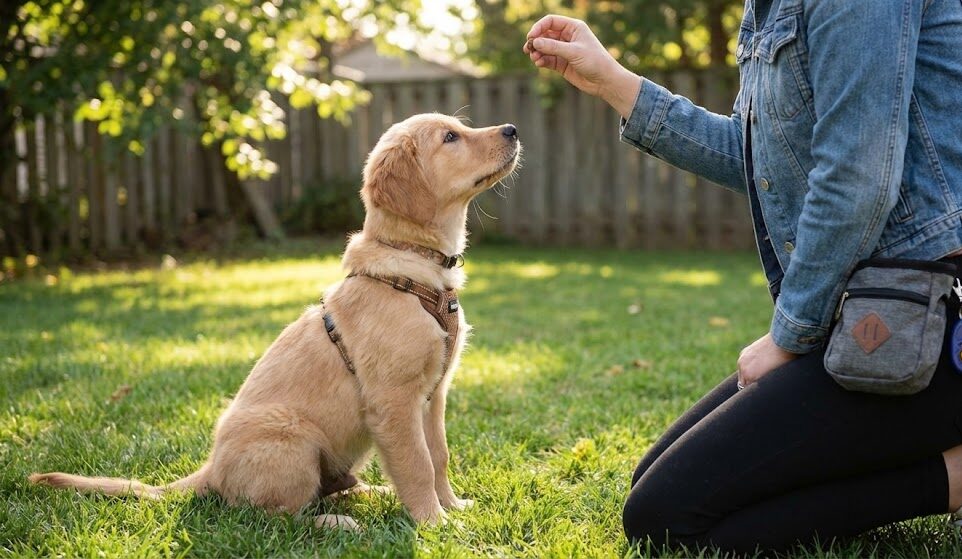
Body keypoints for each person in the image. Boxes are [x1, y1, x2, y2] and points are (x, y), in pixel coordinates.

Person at [524, 1, 962, 553]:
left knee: (667, 519)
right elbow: (757, 160)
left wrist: (787, 335)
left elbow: (858, 178)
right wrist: (611, 80)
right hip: (861, 314)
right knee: (655, 490)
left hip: (928, 322)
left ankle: (951, 477)